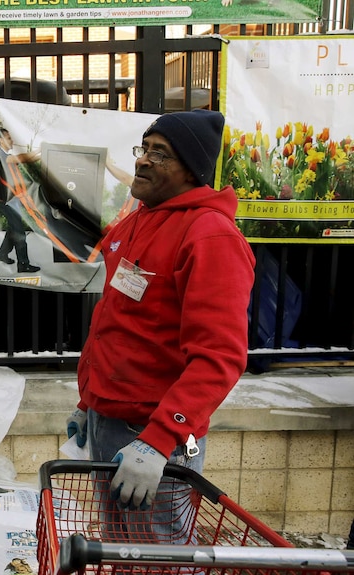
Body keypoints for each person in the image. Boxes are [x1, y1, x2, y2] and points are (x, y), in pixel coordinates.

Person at [66, 109, 255, 542]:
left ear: (192, 169)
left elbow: (219, 357)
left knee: (159, 555)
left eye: (161, 153)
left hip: (152, 437)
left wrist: (159, 439)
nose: (143, 160)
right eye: (144, 148)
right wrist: (88, 399)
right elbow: (122, 321)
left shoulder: (210, 236)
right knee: (119, 548)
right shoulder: (139, 219)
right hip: (109, 420)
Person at [0, 127, 41, 273]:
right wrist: (39, 150)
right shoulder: (0, 156)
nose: (12, 140)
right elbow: (23, 158)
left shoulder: (7, 155)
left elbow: (28, 160)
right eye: (8, 138)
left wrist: (43, 154)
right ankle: (23, 264)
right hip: (6, 202)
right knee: (19, 232)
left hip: (13, 200)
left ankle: (1, 253)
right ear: (1, 140)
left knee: (13, 229)